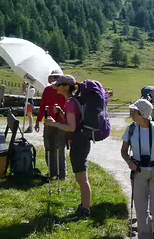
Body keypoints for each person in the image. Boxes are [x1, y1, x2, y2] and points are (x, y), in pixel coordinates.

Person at [121, 99, 154, 239]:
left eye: (134, 111)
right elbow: (124, 150)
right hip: (138, 173)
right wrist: (129, 161)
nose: (131, 113)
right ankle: (144, 236)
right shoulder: (131, 128)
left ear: (142, 113)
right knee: (141, 210)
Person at [44, 74, 92, 219]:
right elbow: (74, 122)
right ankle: (85, 205)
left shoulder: (71, 102)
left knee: (82, 179)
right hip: (81, 141)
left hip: (78, 143)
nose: (56, 87)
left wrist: (54, 123)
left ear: (66, 87)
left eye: (59, 85)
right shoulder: (72, 101)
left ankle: (85, 210)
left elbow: (71, 128)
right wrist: (62, 113)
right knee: (81, 178)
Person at [35, 69, 67, 179]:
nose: (55, 79)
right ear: (49, 79)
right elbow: (43, 106)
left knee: (60, 149)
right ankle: (52, 172)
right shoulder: (47, 90)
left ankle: (61, 174)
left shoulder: (64, 90)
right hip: (48, 123)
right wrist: (38, 121)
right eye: (53, 77)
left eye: (57, 77)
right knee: (48, 147)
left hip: (61, 123)